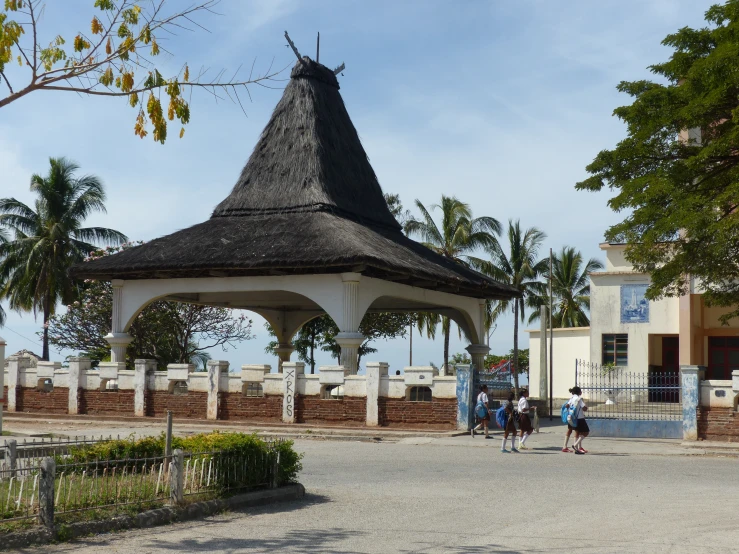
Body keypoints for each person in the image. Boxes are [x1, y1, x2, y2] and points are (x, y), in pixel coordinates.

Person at [566, 386, 590, 454]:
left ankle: (577, 449)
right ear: (579, 392)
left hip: (572, 417)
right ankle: (575, 445)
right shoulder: (579, 399)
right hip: (580, 418)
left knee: (578, 432)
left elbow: (567, 406)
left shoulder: (572, 398)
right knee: (586, 432)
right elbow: (584, 408)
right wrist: (586, 407)